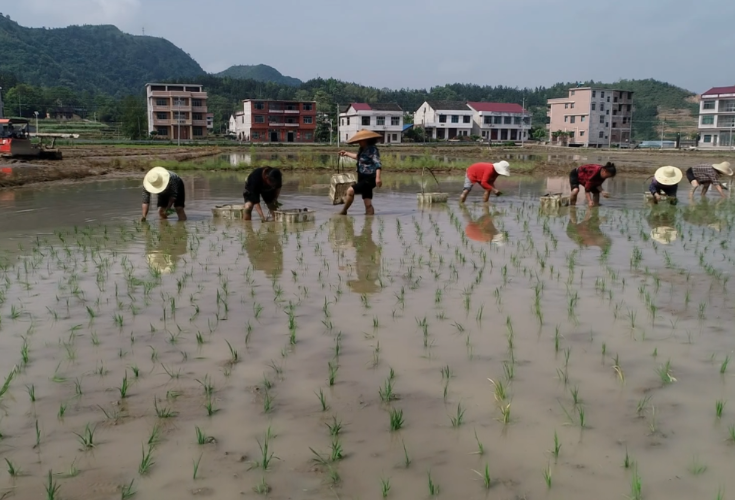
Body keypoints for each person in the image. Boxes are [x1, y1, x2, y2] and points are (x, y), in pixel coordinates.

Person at [338, 130, 383, 216]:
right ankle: (369, 224)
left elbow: (378, 164)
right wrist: (346, 153)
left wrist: (378, 178)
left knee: (350, 191)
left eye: (360, 140)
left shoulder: (372, 150)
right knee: (367, 203)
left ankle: (344, 211)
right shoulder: (362, 149)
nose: (359, 142)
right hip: (362, 177)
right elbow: (358, 157)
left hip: (370, 178)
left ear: (365, 140)